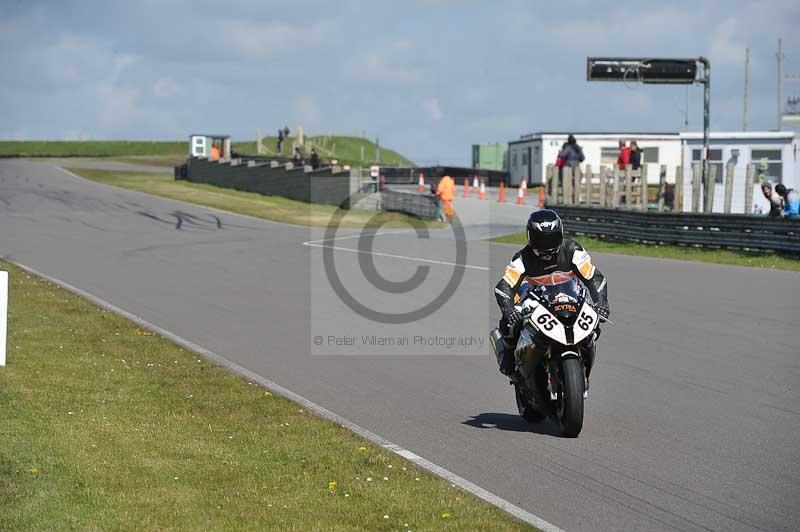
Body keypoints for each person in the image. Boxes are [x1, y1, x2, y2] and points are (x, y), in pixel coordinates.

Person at [492, 209, 610, 381]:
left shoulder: (573, 250)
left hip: (570, 299)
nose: (546, 246)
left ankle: (582, 367)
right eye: (540, 240)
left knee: (595, 327)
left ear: (560, 234)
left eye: (551, 239)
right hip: (536, 301)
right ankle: (510, 356)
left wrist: (601, 302)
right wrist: (509, 309)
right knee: (509, 323)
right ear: (530, 237)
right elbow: (504, 286)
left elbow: (594, 277)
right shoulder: (522, 258)